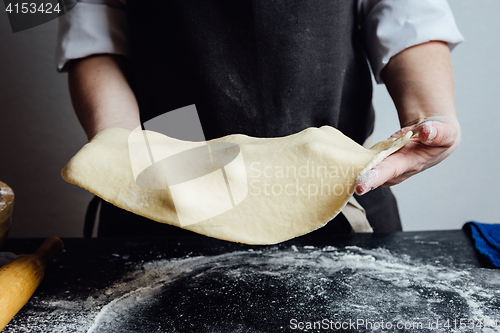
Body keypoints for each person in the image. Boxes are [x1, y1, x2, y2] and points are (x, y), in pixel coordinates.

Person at [56, 0, 464, 237]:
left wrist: (428, 117)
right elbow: (93, 21)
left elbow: (410, 16)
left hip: (340, 190)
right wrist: (119, 149)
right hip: (167, 186)